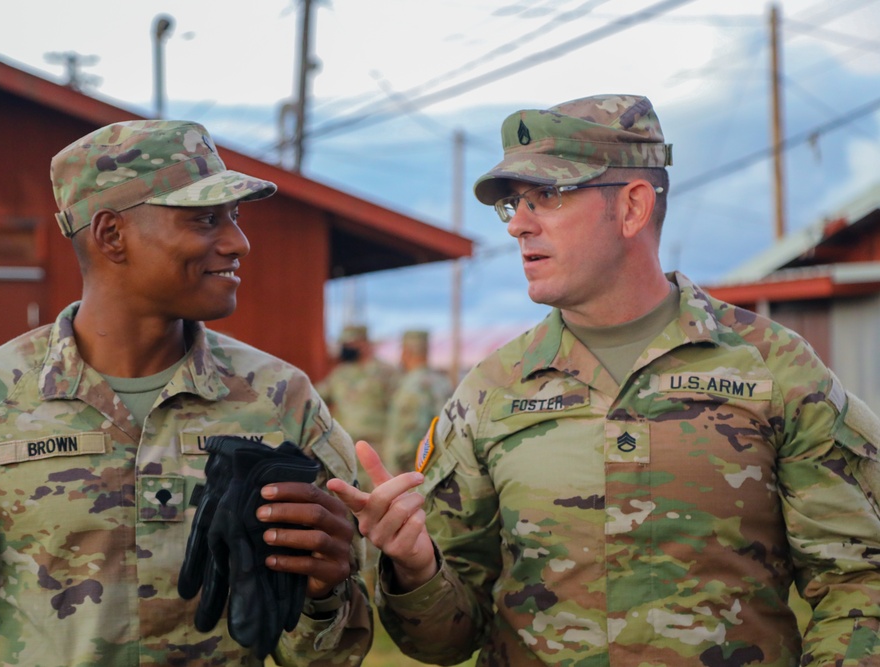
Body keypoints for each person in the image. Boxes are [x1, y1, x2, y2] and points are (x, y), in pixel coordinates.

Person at [328, 94, 880, 665]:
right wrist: (416, 568)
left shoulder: (774, 367)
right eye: (514, 203)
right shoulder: (491, 391)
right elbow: (442, 639)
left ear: (633, 208)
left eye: (548, 196)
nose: (518, 223)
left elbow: (860, 580)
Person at [0, 120, 372, 666]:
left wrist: (324, 593)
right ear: (112, 234)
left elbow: (333, 653)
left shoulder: (281, 399)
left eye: (235, 217)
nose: (238, 242)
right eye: (207, 219)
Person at [315, 324, 400, 463]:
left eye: (350, 344)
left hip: (377, 446)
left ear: (363, 344)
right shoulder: (340, 373)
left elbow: (399, 409)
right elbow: (317, 396)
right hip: (345, 445)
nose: (345, 349)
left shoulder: (387, 372)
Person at [382, 330, 453, 474]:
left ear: (406, 352)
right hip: (439, 466)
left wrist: (398, 468)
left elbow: (410, 433)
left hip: (412, 470)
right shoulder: (442, 382)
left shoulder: (411, 386)